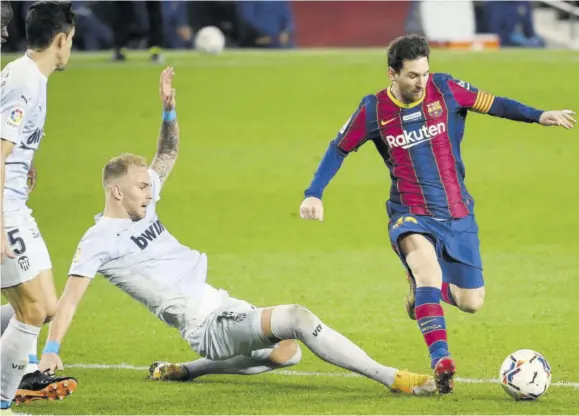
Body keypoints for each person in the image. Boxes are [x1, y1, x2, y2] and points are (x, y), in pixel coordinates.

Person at [38, 67, 436, 397]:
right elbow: (69, 301)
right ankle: (391, 378)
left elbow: (167, 154)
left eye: (148, 185)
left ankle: (186, 371)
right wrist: (52, 350)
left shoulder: (141, 204)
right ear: (116, 192)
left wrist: (168, 111)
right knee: (297, 316)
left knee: (288, 353)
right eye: (142, 187)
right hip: (205, 325)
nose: (150, 190)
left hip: (221, 303)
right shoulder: (98, 240)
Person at [298, 34, 575, 394]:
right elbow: (338, 149)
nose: (421, 82)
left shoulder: (446, 89)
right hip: (409, 212)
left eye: (425, 73)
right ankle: (441, 360)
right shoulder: (374, 109)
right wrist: (314, 194)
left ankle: (419, 286)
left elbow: (495, 104)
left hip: (458, 212)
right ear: (391, 74)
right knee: (427, 270)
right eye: (412, 75)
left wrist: (540, 116)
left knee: (470, 302)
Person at [0, 1, 79, 409]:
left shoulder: (32, 78)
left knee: (45, 307)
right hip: (3, 208)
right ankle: (2, 400)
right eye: (72, 42)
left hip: (14, 201)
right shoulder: (24, 80)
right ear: (61, 39)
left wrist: (24, 165)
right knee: (30, 310)